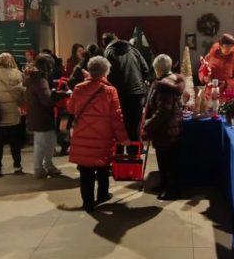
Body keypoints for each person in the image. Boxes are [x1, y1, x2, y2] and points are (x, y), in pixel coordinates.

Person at [67, 56, 129, 212]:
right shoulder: (110, 90)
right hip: (103, 136)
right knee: (102, 168)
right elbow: (117, 117)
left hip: (82, 136)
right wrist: (123, 138)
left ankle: (87, 203)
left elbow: (71, 108)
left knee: (85, 172)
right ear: (105, 72)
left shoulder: (79, 88)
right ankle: (102, 196)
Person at [143, 54, 185, 200]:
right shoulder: (173, 80)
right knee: (165, 159)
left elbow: (163, 111)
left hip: (165, 128)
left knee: (168, 161)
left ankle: (171, 190)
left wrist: (148, 124)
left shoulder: (163, 86)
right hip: (171, 126)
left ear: (158, 69)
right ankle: (165, 184)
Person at [101, 32, 151, 154]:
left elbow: (106, 76)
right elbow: (146, 69)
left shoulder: (108, 53)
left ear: (105, 43)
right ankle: (134, 157)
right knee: (135, 125)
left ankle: (119, 156)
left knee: (119, 124)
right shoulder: (133, 49)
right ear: (116, 38)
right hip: (137, 93)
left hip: (119, 94)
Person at [24, 53, 62, 178]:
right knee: (42, 143)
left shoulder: (33, 77)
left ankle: (47, 165)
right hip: (42, 116)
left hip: (37, 114)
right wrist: (58, 95)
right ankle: (39, 168)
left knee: (48, 141)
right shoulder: (40, 79)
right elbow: (47, 100)